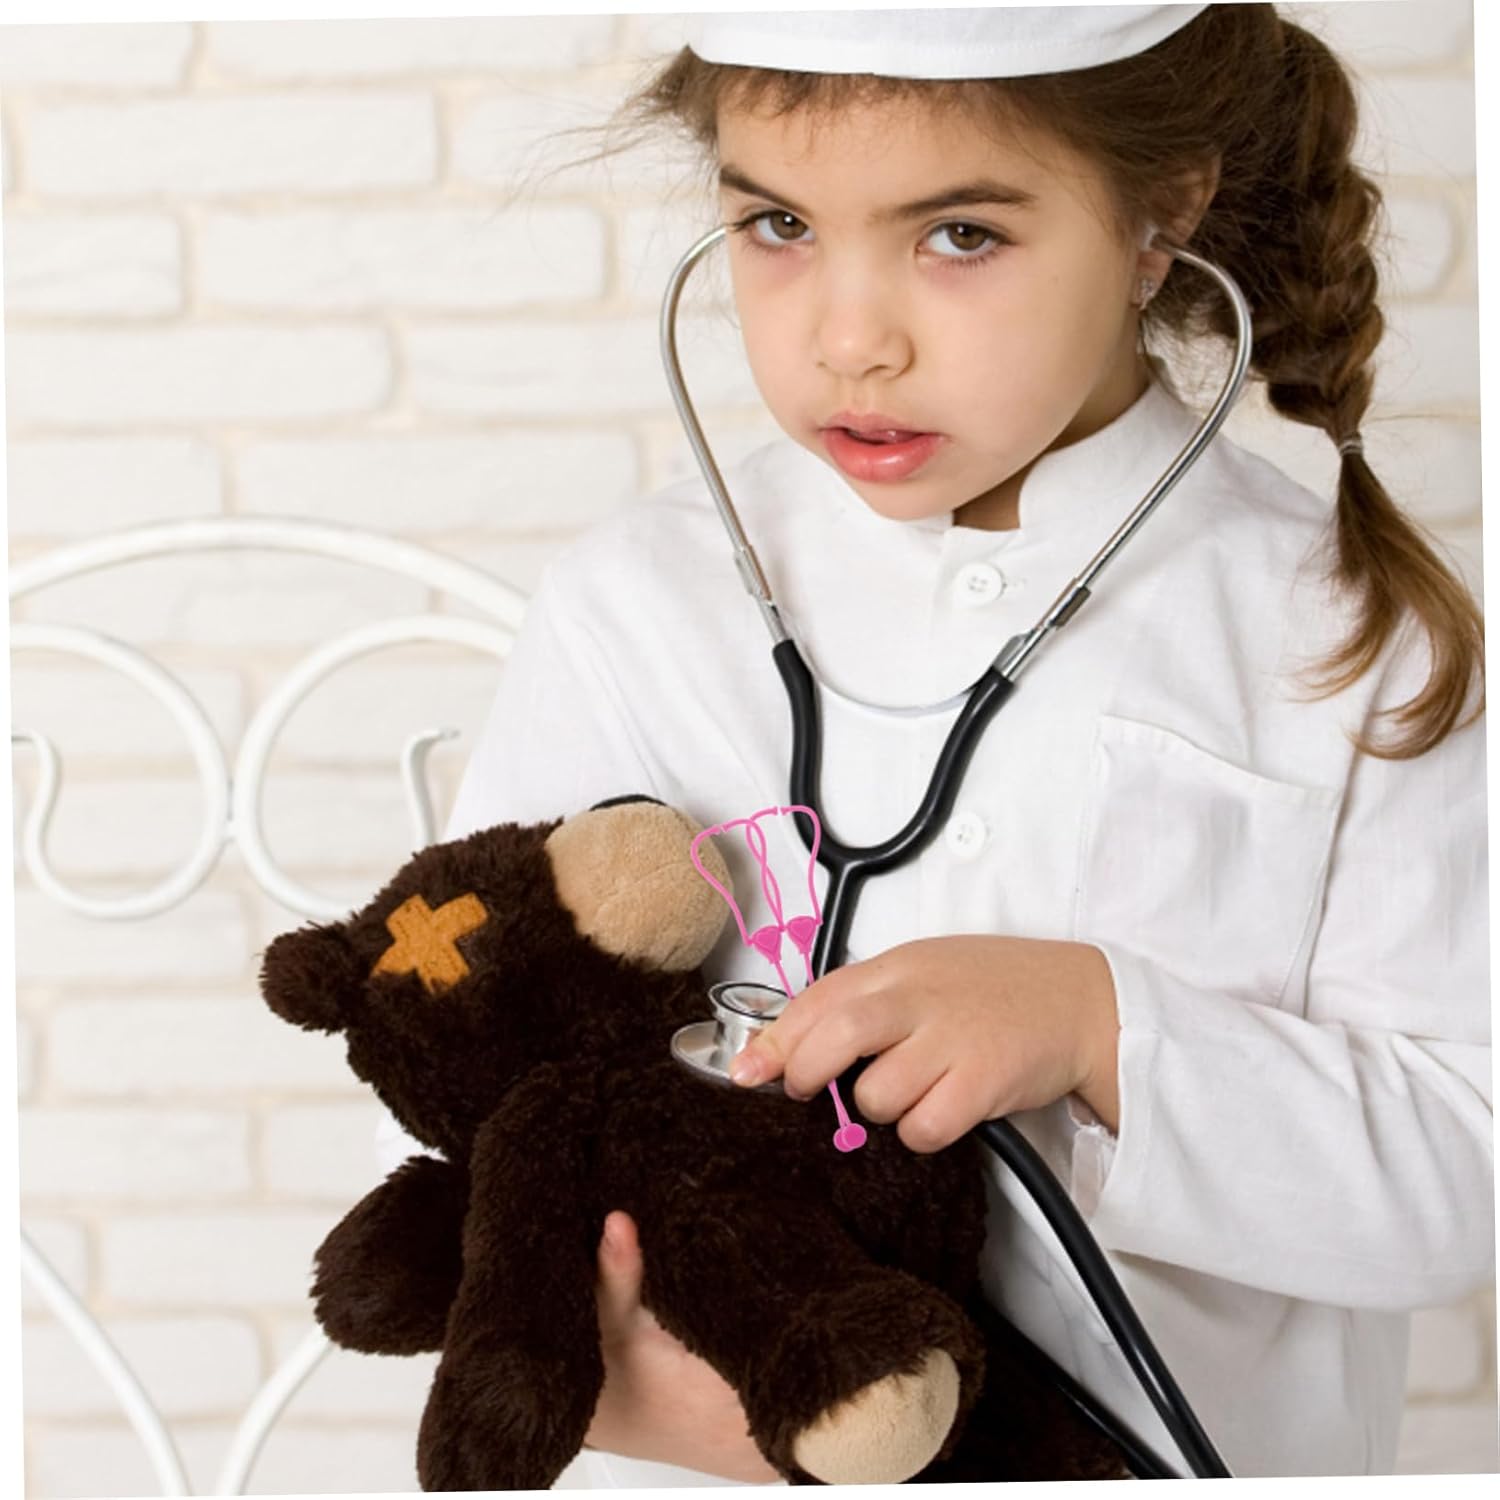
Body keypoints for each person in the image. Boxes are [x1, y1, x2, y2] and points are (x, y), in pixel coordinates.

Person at [372, 4, 1492, 1485]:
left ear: (1161, 216)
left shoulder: (1349, 636)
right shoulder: (638, 604)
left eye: (961, 235)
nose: (851, 341)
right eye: (778, 224)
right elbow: (470, 1072)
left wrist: (1099, 1030)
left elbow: (1467, 1174)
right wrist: (646, 1387)